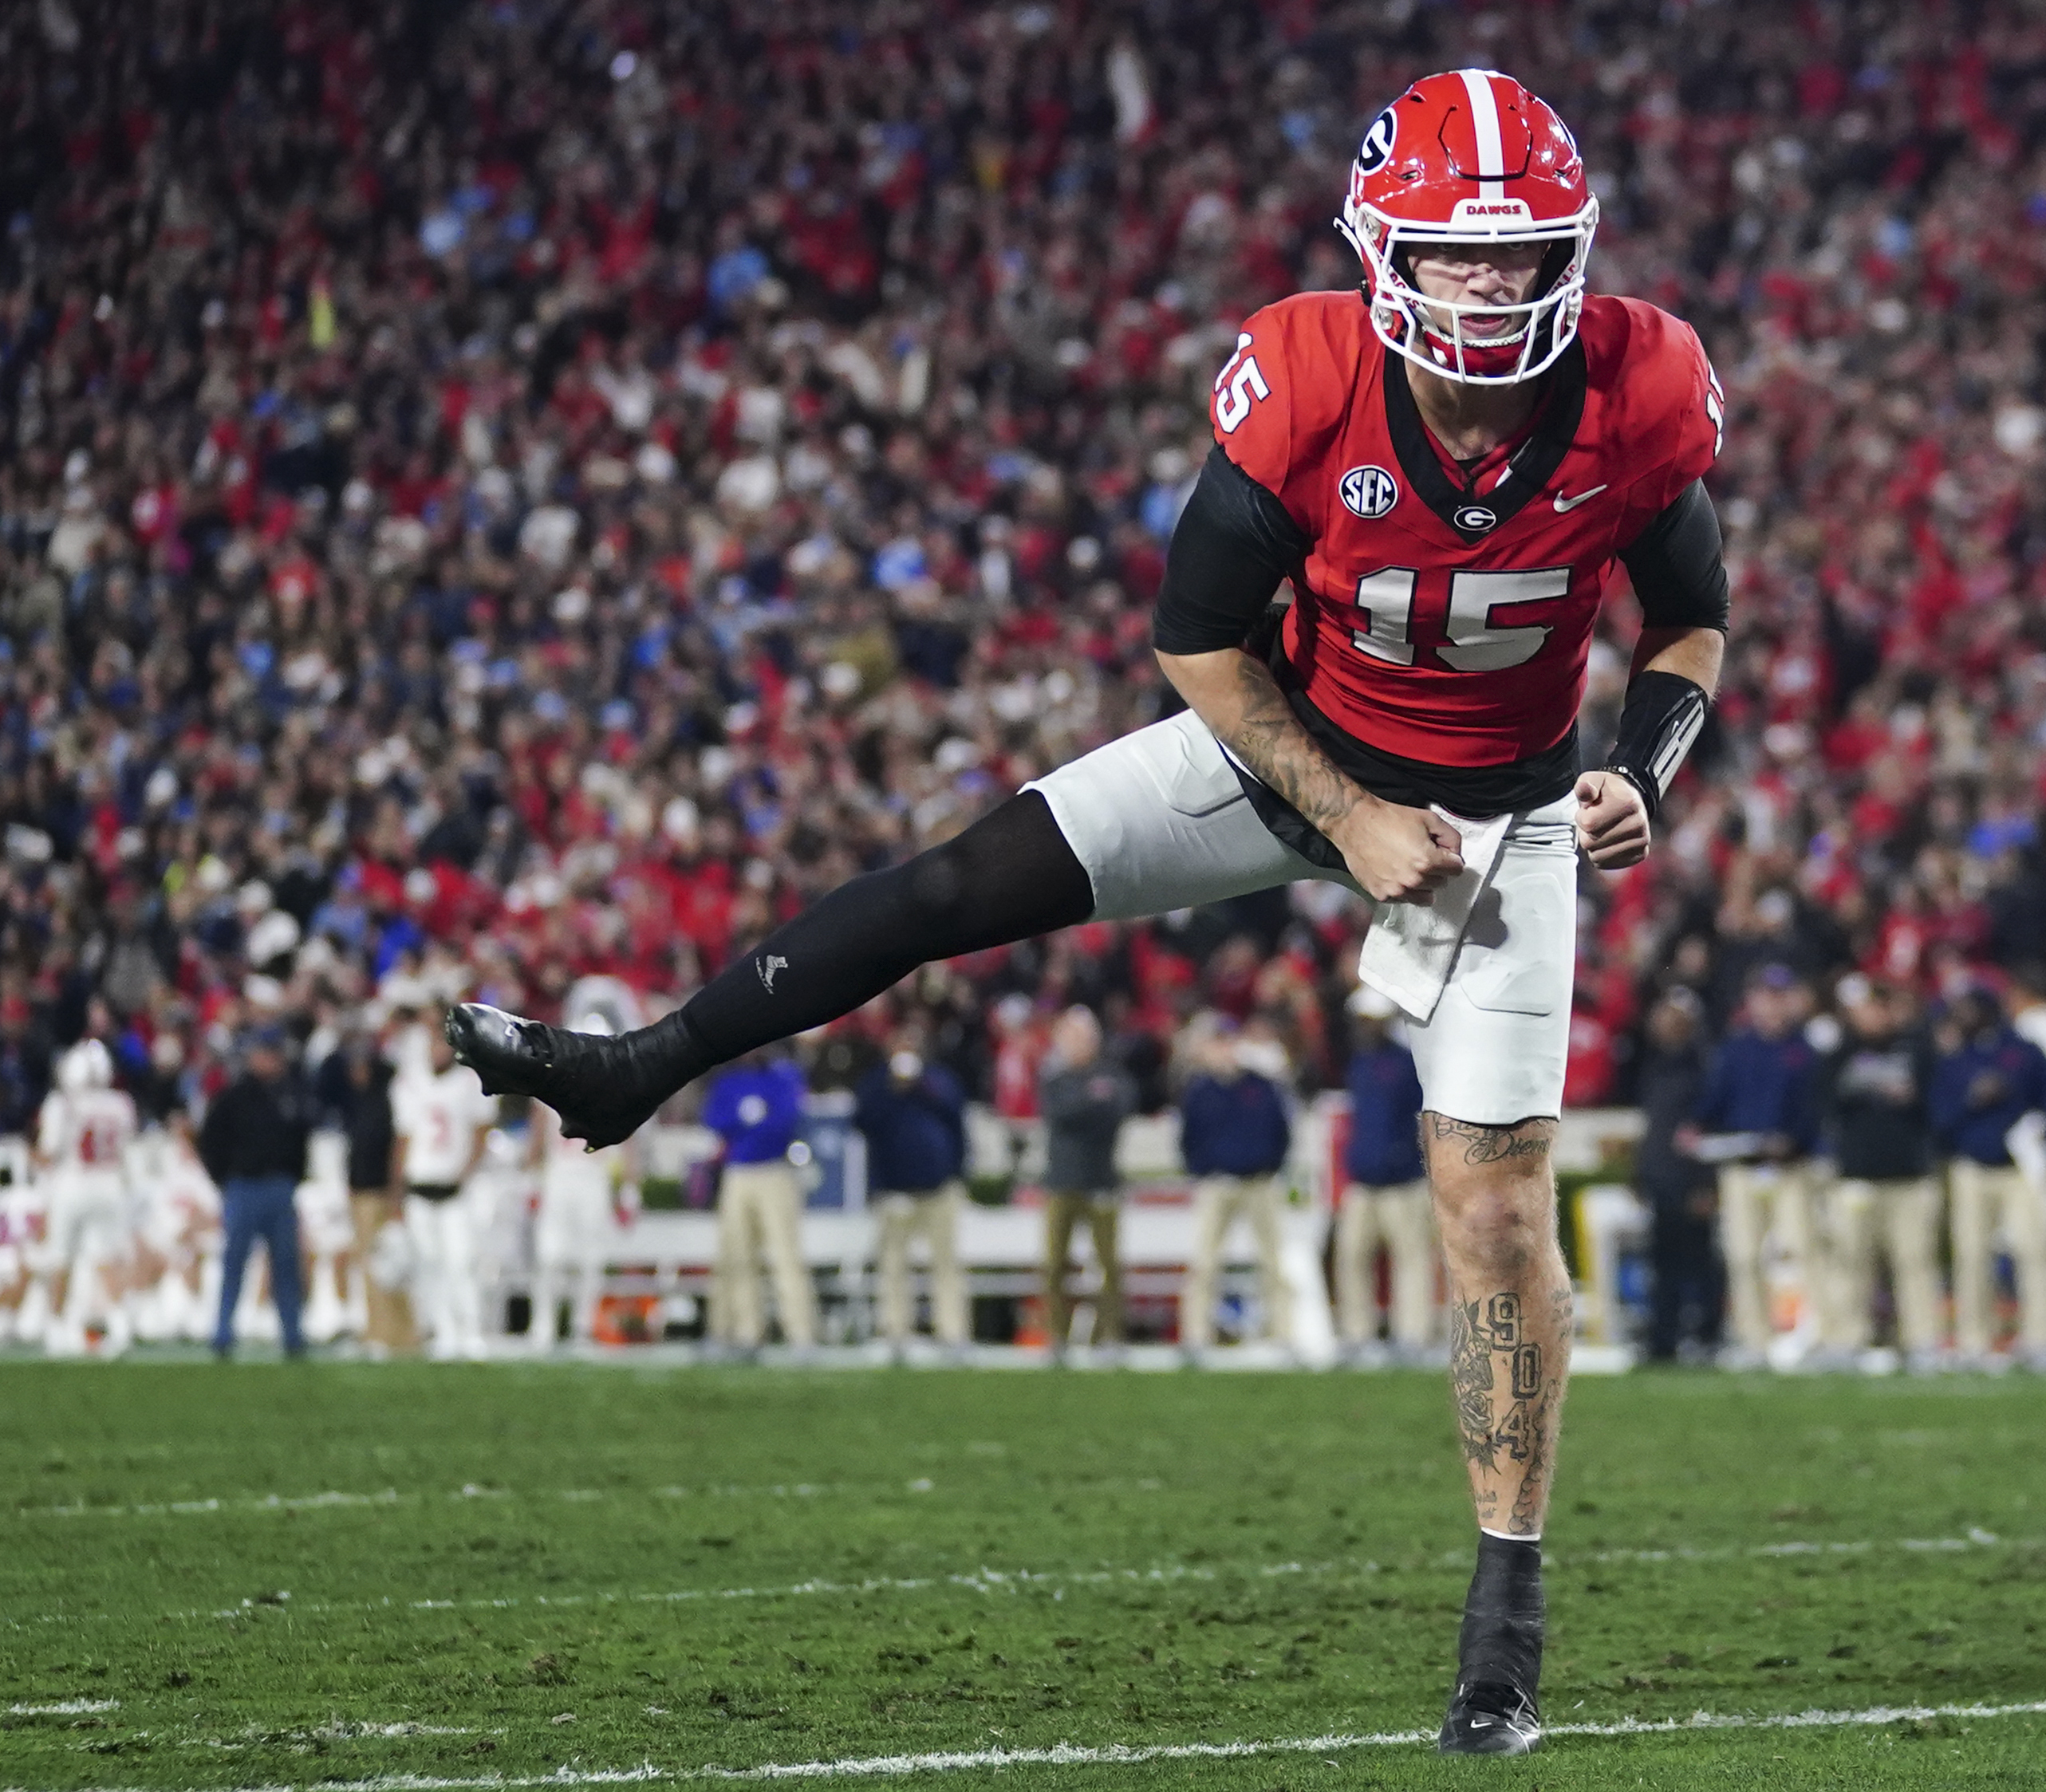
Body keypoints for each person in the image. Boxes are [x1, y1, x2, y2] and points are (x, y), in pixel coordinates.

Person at [450, 68, 1725, 1755]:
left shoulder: (1640, 385)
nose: (1491, 289)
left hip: (1495, 821)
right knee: (955, 881)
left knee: (1491, 1213)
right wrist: (1339, 809)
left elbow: (1689, 624)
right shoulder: (1310, 378)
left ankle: (1504, 1622)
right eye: (1453, 256)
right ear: (1379, 254)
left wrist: (1646, 762)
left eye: (1520, 257)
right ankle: (636, 1066)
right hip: (1288, 753)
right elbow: (1193, 639)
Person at [1691, 967, 1823, 1367]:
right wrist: (1697, 1126)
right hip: (1744, 1164)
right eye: (1766, 994)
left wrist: (1795, 1140)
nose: (1773, 1003)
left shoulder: (1805, 1050)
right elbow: (1716, 1100)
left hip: (1792, 1166)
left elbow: (1816, 1107)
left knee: (1803, 1250)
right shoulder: (1736, 1049)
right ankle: (1753, 1338)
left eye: (1779, 995)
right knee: (1744, 1254)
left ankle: (1812, 1334)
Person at [1814, 979, 1942, 1367]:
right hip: (1857, 1175)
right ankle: (1847, 1338)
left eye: (1876, 1007)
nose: (1870, 1016)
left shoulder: (1918, 1049)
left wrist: (1915, 1098)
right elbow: (1822, 1103)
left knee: (1915, 1262)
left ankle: (1923, 1340)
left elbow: (1937, 1103)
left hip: (1910, 1174)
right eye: (1863, 1009)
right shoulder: (1839, 1054)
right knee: (1851, 1261)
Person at [1929, 987, 2046, 1366]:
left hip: (2020, 1166)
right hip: (1972, 1166)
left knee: (2033, 1250)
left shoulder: (2023, 1052)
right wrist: (1972, 1099)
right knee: (1972, 1255)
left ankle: (2043, 1337)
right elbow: (1939, 1116)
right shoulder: (1954, 1060)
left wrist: (2041, 1135)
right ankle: (1974, 1338)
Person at [1175, 1017, 1296, 1353]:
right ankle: (1196, 1337)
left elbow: (1281, 1132)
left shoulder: (1260, 1085)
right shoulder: (1199, 1090)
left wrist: (1270, 1165)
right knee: (1204, 1263)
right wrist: (1202, 1170)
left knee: (1273, 1262)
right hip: (1217, 1183)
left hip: (1259, 1182)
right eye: (1217, 1043)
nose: (1223, 1050)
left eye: (1228, 1042)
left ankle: (1283, 1333)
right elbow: (1188, 1139)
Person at [196, 1026, 316, 1359]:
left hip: (279, 1187)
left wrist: (294, 1177)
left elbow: (301, 1141)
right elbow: (210, 1143)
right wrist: (225, 1179)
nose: (270, 1060)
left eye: (274, 1054)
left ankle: (293, 1336)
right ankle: (222, 1334)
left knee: (286, 1267)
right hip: (243, 1187)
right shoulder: (233, 1097)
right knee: (234, 1263)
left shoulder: (292, 1095)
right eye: (264, 1054)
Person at [390, 1013, 500, 1361]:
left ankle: (470, 1331)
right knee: (429, 1263)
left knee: (461, 1261)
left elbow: (481, 1132)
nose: (436, 1050)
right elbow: (403, 1139)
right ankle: (443, 1331)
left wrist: (465, 1172)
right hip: (421, 1184)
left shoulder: (469, 1081)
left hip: (456, 1187)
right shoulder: (409, 1083)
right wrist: (397, 1189)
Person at [1333, 983, 1435, 1357]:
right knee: (1351, 1257)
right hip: (1363, 1178)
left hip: (1402, 1180)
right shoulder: (1359, 1063)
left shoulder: (1407, 1063)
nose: (1363, 1026)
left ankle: (1412, 1334)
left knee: (1411, 1259)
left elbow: (1421, 1121)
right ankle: (1357, 1333)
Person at [852, 1036, 972, 1350]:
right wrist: (891, 1089)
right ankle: (895, 1330)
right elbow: (863, 1120)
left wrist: (919, 1087)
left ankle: (952, 1331)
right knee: (893, 1264)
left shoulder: (939, 1078)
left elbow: (955, 1116)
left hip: (938, 1187)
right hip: (894, 1188)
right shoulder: (877, 1081)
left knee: (945, 1264)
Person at [700, 1044, 815, 1351]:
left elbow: (787, 1120)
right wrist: (749, 1120)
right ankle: (746, 1331)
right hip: (738, 1173)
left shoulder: (784, 1076)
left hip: (775, 1171)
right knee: (737, 1255)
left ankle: (800, 1332)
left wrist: (747, 1123)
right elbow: (715, 1120)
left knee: (785, 1255)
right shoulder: (728, 1080)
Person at [527, 1019, 633, 1352]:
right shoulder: (549, 1080)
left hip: (593, 1176)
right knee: (549, 1255)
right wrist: (532, 1181)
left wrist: (628, 1189)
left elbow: (627, 1141)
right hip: (560, 1174)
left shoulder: (616, 1085)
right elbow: (537, 1137)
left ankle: (583, 1325)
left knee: (591, 1257)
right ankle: (543, 1324)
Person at [1038, 1006, 1135, 1353]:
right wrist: (1092, 1102)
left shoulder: (1111, 1074)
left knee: (1108, 1264)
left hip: (1101, 1179)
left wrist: (1087, 1107)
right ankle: (1057, 1336)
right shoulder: (1055, 1077)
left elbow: (1119, 1110)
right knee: (1054, 1264)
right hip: (1062, 1181)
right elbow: (1059, 1115)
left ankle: (1110, 1335)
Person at [32, 1039, 139, 1356]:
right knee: (109, 1260)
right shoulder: (122, 1104)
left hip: (73, 1183)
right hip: (110, 1184)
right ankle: (120, 1326)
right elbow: (124, 1148)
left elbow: (49, 1153)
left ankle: (55, 1328)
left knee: (59, 1258)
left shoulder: (61, 1103)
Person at [1630, 989, 1720, 1362]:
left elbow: (1707, 1129)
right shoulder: (1655, 1066)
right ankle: (1662, 1338)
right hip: (1661, 1179)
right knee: (1663, 1263)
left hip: (1689, 1181)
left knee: (1698, 1263)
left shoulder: (1704, 1069)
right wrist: (1641, 1173)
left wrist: (1705, 1183)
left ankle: (1706, 1335)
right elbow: (1654, 1129)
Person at [322, 1022, 416, 1356]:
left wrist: (394, 1194)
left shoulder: (386, 1102)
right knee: (372, 1266)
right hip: (362, 1193)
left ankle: (392, 1334)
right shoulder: (365, 1102)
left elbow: (394, 1150)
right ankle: (383, 1330)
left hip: (377, 1193)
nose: (354, 1072)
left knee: (385, 1267)